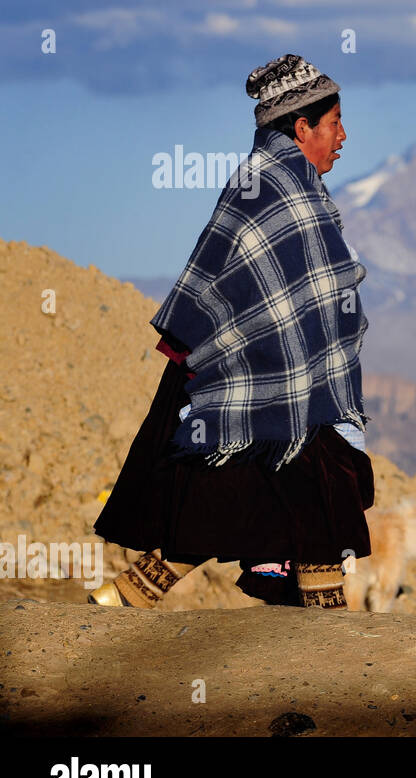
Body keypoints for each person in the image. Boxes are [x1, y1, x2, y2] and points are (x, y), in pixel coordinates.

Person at [91, 54, 374, 610]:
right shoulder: (279, 187)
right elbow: (263, 298)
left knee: (248, 496)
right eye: (335, 122)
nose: (344, 135)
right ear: (302, 128)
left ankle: (124, 597)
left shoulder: (271, 181)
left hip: (270, 383)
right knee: (313, 484)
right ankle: (329, 630)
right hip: (256, 380)